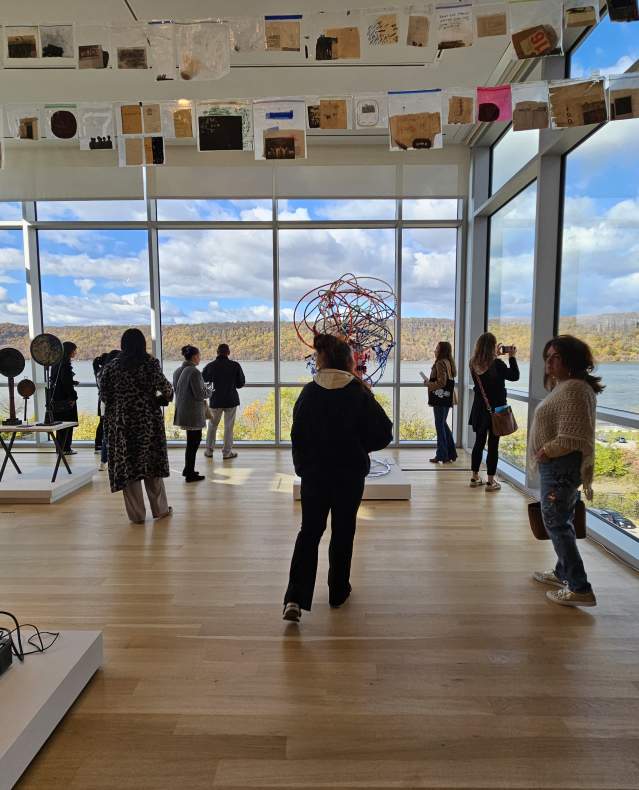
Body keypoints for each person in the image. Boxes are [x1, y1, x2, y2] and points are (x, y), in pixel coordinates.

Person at [283, 334, 393, 623]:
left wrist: (303, 467)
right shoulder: (358, 393)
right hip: (349, 475)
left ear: (321, 360)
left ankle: (295, 597)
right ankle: (338, 591)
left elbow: (297, 436)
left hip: (314, 475)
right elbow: (384, 433)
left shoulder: (309, 393)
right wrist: (360, 446)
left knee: (309, 532)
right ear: (349, 361)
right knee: (343, 531)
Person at [528, 335, 602, 608]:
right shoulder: (567, 387)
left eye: (555, 357)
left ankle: (580, 587)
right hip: (558, 467)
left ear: (571, 360)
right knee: (561, 519)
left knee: (556, 523)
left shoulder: (574, 389)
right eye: (547, 357)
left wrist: (546, 451)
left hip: (561, 468)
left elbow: (572, 436)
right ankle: (562, 572)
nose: (549, 362)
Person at [99, 329, 173, 524]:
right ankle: (160, 510)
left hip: (121, 424)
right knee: (152, 466)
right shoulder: (150, 364)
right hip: (147, 421)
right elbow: (167, 389)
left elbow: (104, 396)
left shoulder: (111, 367)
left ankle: (137, 515)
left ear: (123, 344)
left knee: (128, 468)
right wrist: (160, 398)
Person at [468, 332, 519, 491]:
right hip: (496, 410)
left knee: (478, 442)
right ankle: (490, 481)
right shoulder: (497, 364)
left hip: (479, 409)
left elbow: (485, 374)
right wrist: (512, 357)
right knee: (493, 445)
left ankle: (475, 477)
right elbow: (514, 376)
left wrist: (495, 356)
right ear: (493, 347)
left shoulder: (472, 363)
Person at [202, 343, 246, 460]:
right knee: (228, 427)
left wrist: (212, 388)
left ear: (217, 352)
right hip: (231, 400)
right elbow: (241, 383)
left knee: (212, 426)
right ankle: (227, 452)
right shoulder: (235, 366)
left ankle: (209, 451)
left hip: (215, 400)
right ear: (228, 353)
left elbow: (203, 381)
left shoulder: (210, 366)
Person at [173, 345, 208, 483]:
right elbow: (200, 394)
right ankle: (189, 473)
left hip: (183, 410)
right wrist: (210, 390)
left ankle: (188, 469)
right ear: (194, 357)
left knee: (191, 442)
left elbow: (177, 390)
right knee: (194, 442)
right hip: (193, 412)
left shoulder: (177, 371)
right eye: (199, 355)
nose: (200, 358)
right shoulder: (194, 372)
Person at [425, 341, 457, 464]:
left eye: (437, 348)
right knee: (443, 424)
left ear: (441, 350)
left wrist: (428, 384)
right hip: (447, 398)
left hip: (440, 398)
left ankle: (442, 455)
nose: (435, 350)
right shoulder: (448, 362)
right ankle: (451, 453)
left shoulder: (440, 363)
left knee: (440, 426)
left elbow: (442, 383)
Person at [50, 341, 79, 455]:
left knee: (60, 425)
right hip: (65, 398)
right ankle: (66, 448)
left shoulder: (55, 363)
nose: (75, 352)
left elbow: (58, 380)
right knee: (67, 424)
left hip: (57, 398)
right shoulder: (65, 365)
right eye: (74, 350)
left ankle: (60, 448)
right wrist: (73, 397)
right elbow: (66, 383)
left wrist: (72, 381)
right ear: (69, 351)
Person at [97, 350, 119, 472]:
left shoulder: (102, 372)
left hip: (104, 406)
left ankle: (103, 461)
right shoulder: (114, 371)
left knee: (107, 434)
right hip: (114, 407)